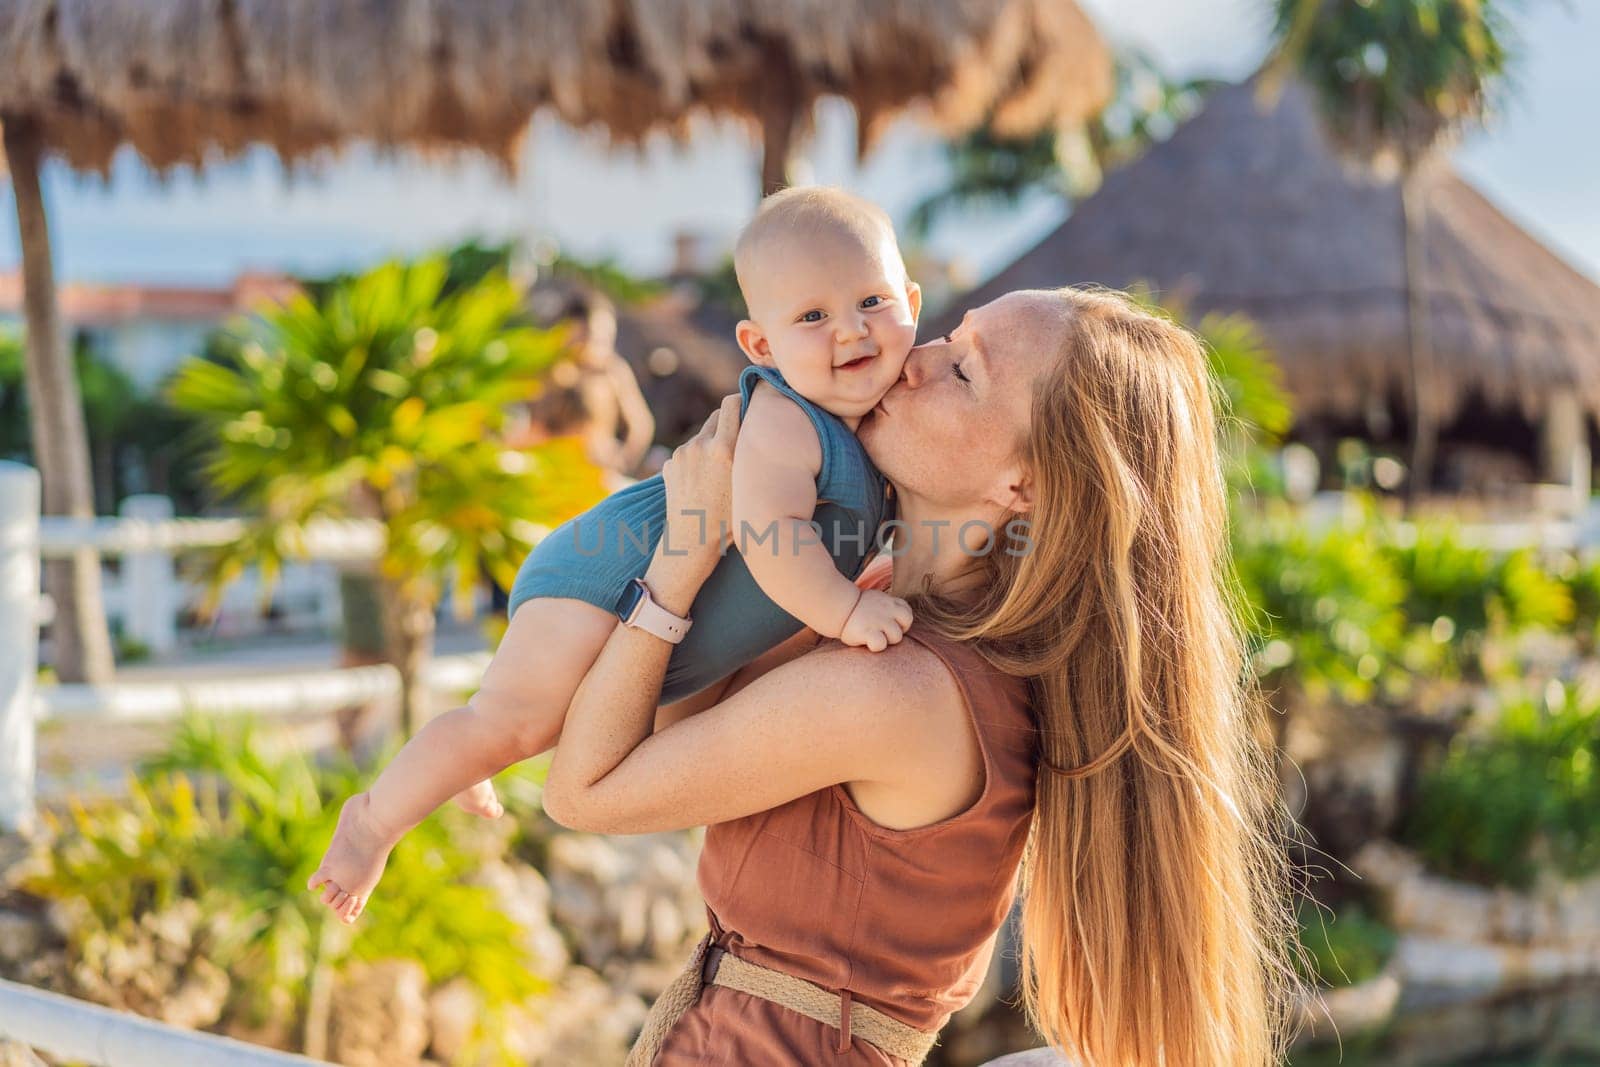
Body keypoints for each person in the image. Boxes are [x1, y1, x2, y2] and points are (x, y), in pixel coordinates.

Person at [538, 288, 1305, 1066]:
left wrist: (681, 555)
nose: (909, 363)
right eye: (945, 336)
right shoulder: (865, 602)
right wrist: (745, 524)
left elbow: (584, 789)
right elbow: (666, 725)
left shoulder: (901, 691)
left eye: (964, 371)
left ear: (1024, 483)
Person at [309, 187, 922, 916]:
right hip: (601, 574)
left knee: (526, 721)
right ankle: (373, 819)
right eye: (813, 316)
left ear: (912, 300)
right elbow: (773, 541)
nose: (851, 331)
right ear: (762, 347)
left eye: (872, 302)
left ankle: (468, 756)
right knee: (513, 722)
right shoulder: (788, 421)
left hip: (647, 598)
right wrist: (847, 608)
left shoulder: (889, 409)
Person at [511, 286, 657, 479]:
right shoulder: (548, 370)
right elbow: (527, 424)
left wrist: (622, 460)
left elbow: (641, 426)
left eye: (604, 338)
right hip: (551, 470)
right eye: (590, 336)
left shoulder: (611, 371)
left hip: (597, 471)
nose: (598, 344)